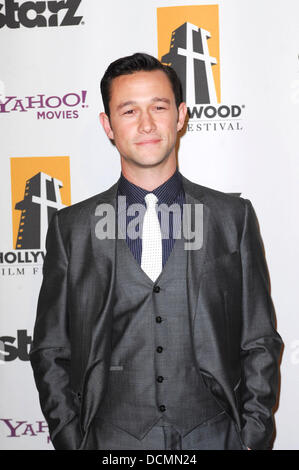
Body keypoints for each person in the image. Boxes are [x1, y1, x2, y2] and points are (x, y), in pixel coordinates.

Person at [29, 52, 283, 451]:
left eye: (159, 107)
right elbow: (51, 348)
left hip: (215, 435)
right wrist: (71, 439)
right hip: (109, 441)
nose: (146, 124)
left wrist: (250, 436)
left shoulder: (231, 217)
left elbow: (259, 339)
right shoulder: (71, 228)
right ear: (107, 125)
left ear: (180, 116)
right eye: (128, 111)